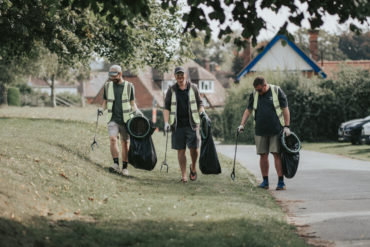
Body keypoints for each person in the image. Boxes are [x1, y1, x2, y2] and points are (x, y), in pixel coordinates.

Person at [237, 76, 291, 190]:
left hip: (276, 130)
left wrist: (286, 126)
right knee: (263, 155)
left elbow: (285, 109)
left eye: (260, 90)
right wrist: (242, 124)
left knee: (277, 154)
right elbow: (248, 110)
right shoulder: (254, 94)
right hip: (260, 130)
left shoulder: (277, 91)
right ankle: (265, 182)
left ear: (265, 85)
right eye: (257, 90)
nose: (259, 92)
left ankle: (281, 182)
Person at [163, 66, 208, 183]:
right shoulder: (171, 90)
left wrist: (203, 113)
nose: (180, 77)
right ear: (175, 77)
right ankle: (183, 175)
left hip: (192, 123)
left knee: (194, 148)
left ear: (185, 76)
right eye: (178, 75)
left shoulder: (193, 88)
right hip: (177, 125)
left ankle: (193, 167)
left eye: (182, 74)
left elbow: (200, 103)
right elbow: (166, 107)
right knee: (181, 150)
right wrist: (166, 123)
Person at [101, 65, 142, 176]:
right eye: (111, 76)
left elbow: (132, 103)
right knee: (113, 139)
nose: (112, 78)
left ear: (120, 74)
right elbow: (105, 101)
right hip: (112, 118)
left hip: (126, 119)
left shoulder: (129, 86)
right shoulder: (107, 86)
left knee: (125, 143)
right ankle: (115, 164)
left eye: (114, 76)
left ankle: (124, 168)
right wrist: (101, 109)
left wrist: (137, 112)